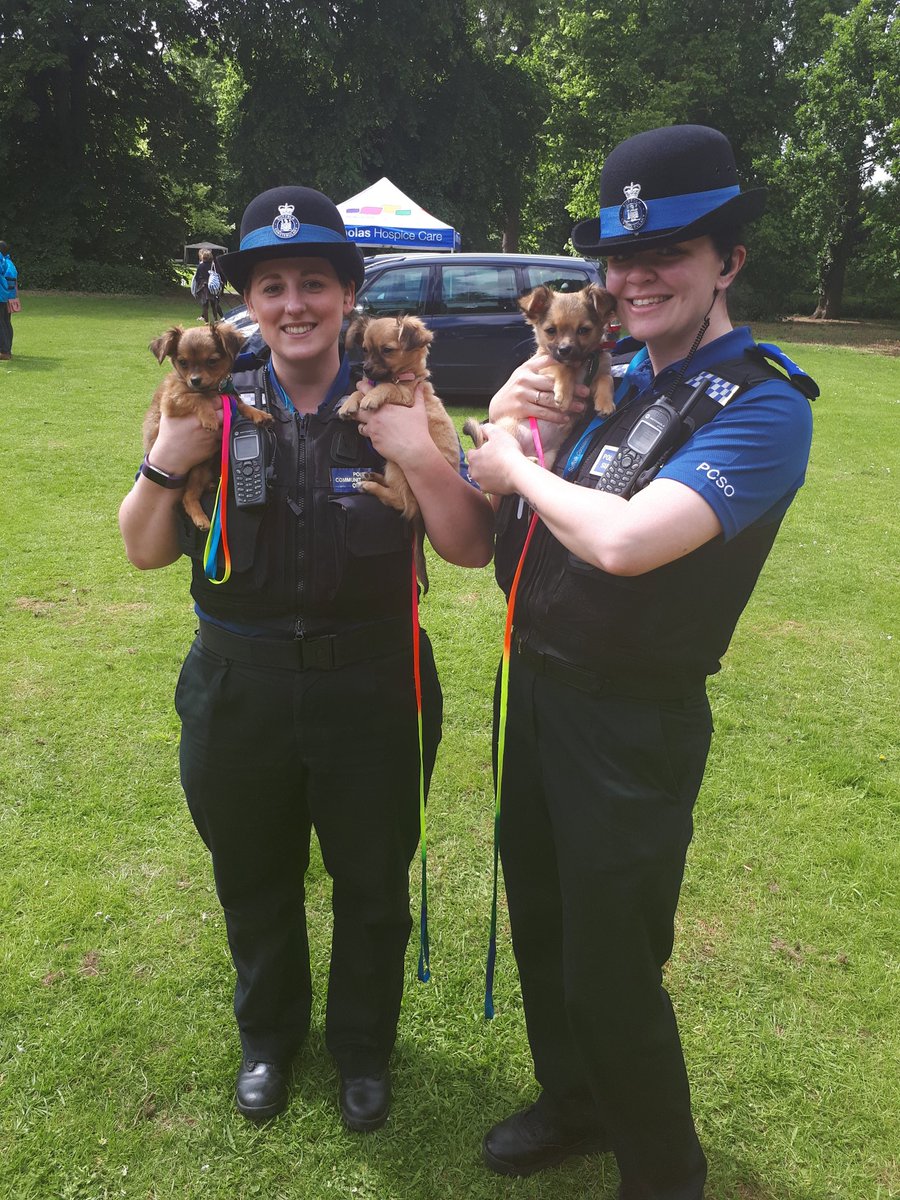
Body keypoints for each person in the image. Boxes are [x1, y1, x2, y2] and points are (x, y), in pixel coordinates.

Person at [466, 125, 816, 1200]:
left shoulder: (762, 402)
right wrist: (508, 431)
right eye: (621, 259)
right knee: (543, 923)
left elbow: (620, 543)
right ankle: (574, 1103)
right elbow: (503, 531)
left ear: (728, 262)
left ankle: (665, 1175)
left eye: (669, 252)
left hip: (631, 722)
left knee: (613, 967)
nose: (637, 277)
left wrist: (516, 473)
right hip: (537, 691)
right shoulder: (611, 385)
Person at [119, 186, 493, 1128]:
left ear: (348, 295)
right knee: (253, 878)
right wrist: (167, 458)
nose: (294, 304)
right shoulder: (212, 397)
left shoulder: (399, 396)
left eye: (314, 282)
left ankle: (363, 1049)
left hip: (375, 685)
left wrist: (420, 455)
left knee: (373, 885)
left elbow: (466, 547)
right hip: (238, 685)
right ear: (249, 300)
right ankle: (268, 1040)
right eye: (272, 285)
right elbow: (145, 549)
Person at [0, 240, 19, 361]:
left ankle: (4, 351)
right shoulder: (8, 262)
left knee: (2, 322)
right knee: (6, 322)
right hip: (7, 296)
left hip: (3, 295)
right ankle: (7, 349)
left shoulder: (2, 261)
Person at [193, 248, 224, 324]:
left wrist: (197, 286)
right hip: (212, 287)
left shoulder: (200, 266)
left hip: (203, 287)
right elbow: (218, 274)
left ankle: (206, 321)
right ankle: (216, 320)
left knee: (205, 305)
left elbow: (197, 277)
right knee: (214, 304)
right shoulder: (214, 265)